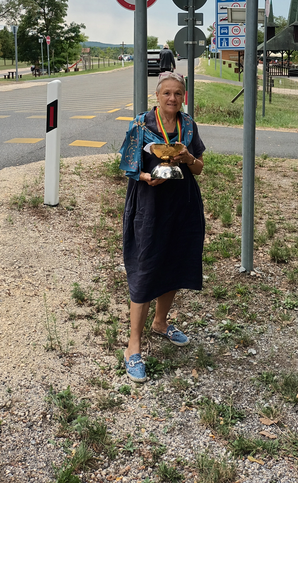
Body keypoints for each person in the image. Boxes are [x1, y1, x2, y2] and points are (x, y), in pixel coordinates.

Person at [118, 71, 205, 383]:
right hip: (149, 203)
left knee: (174, 262)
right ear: (157, 95)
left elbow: (199, 167)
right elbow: (127, 165)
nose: (172, 98)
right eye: (167, 93)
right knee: (145, 267)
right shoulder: (142, 124)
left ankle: (161, 323)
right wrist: (146, 177)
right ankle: (133, 346)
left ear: (183, 96)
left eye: (178, 94)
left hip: (182, 202)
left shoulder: (189, 124)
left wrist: (188, 156)